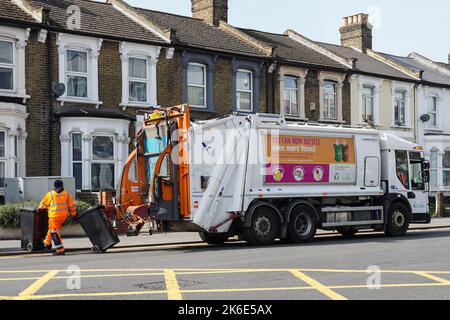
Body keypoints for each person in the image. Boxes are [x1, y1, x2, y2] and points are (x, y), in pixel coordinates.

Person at [38, 180, 77, 256]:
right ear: (62, 186)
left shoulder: (50, 194)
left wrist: (39, 209)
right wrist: (74, 214)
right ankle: (47, 242)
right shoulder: (66, 194)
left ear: (54, 186)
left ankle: (60, 250)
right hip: (63, 216)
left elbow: (43, 204)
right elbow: (71, 206)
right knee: (52, 229)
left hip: (54, 216)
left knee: (54, 232)